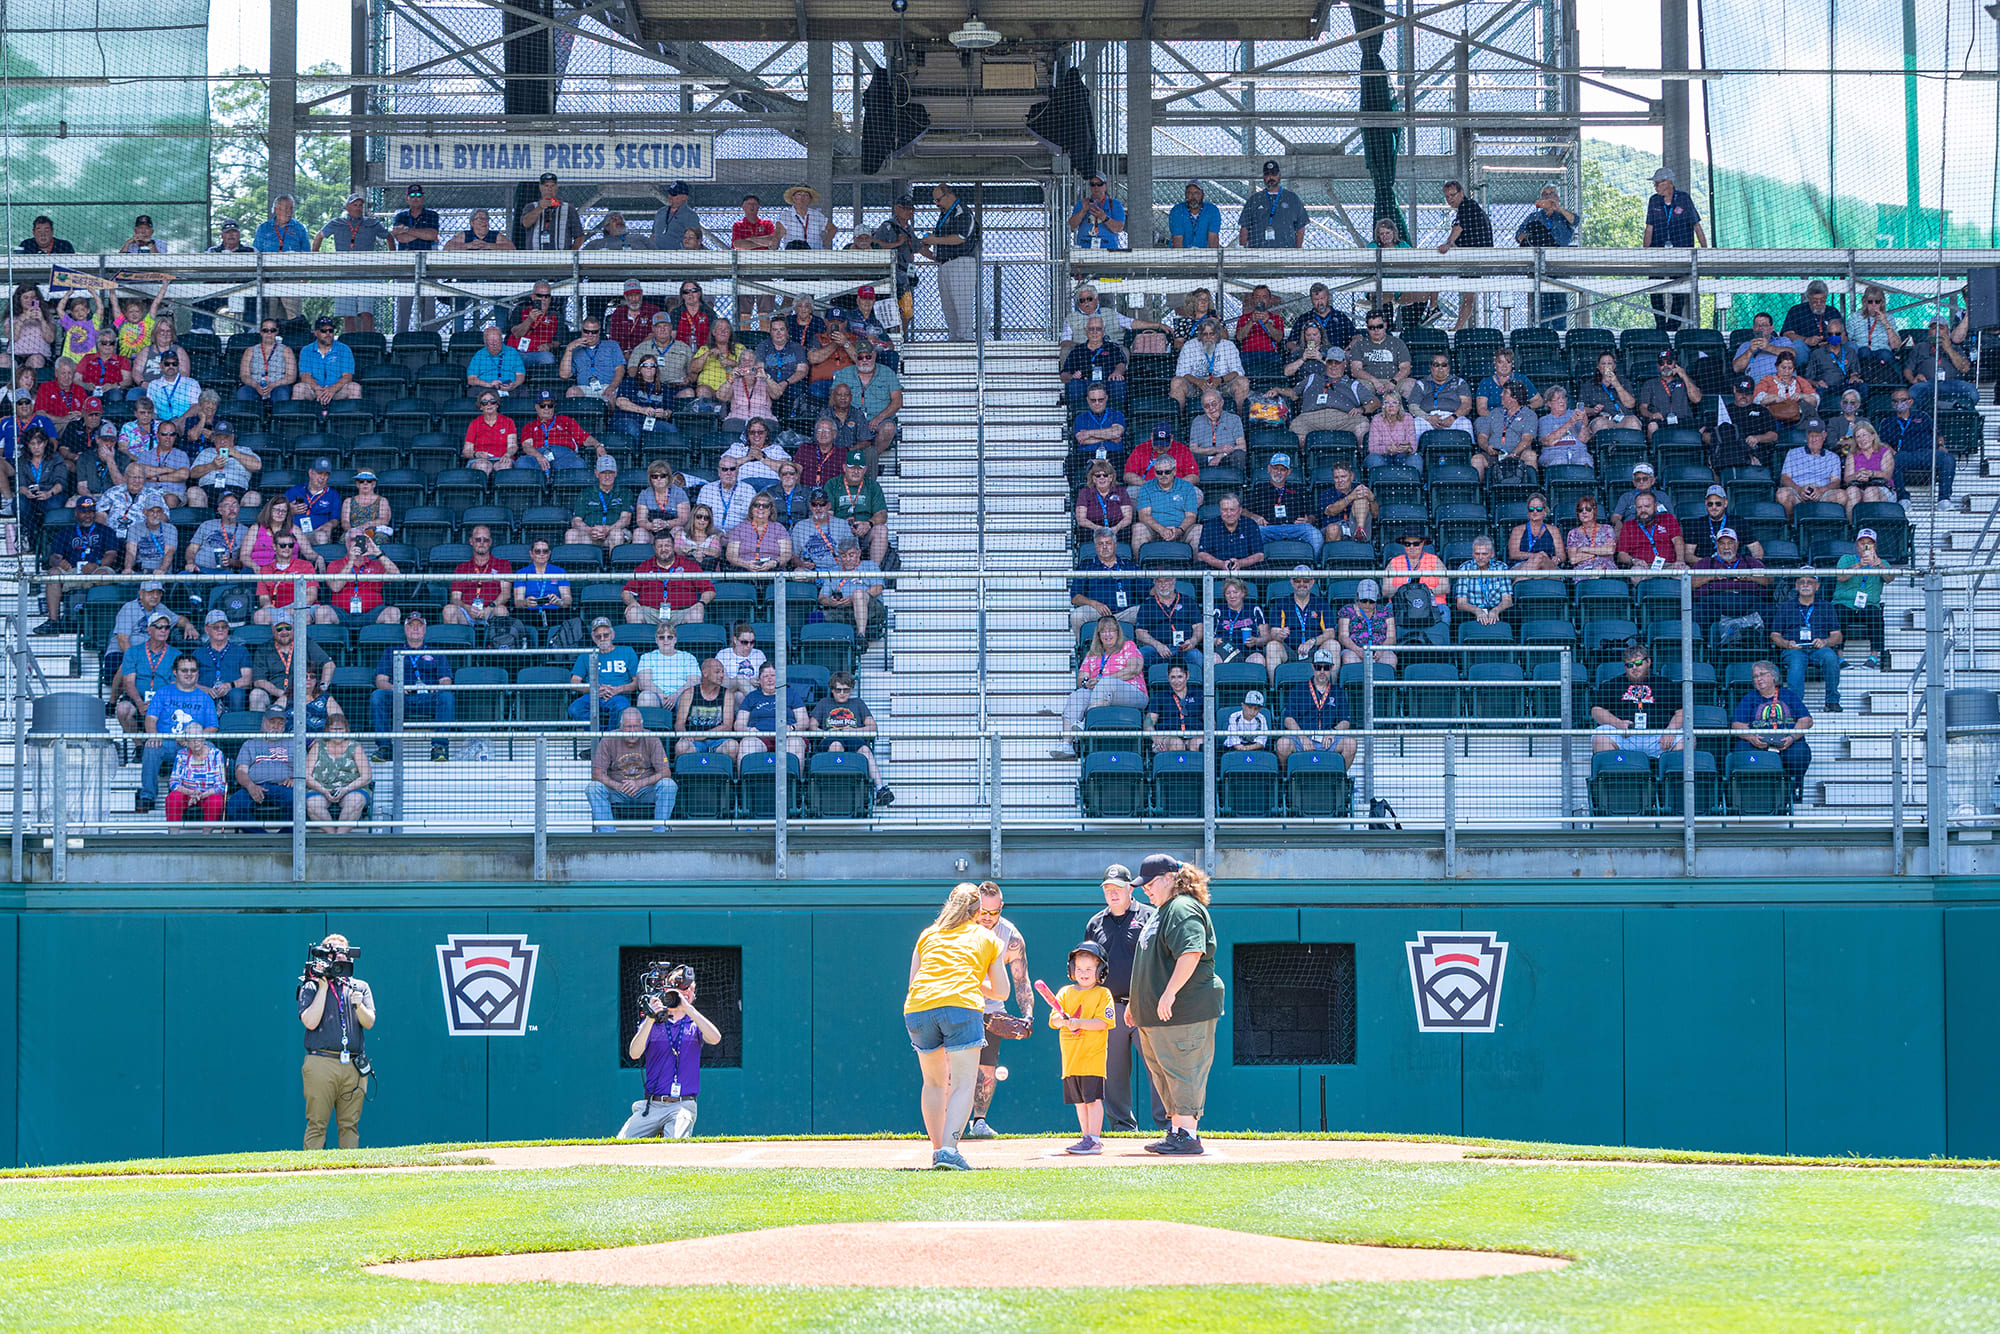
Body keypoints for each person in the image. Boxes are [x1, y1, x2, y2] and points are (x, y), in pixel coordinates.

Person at [1125, 853, 1223, 1155]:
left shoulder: (1181, 908)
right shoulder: (1163, 911)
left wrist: (1169, 993)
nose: (1146, 890)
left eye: (1151, 883)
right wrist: (1135, 1004)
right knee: (1166, 1073)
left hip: (1184, 1011)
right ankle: (1177, 1131)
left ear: (1170, 878)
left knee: (1184, 1071)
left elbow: (1191, 952)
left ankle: (1188, 1136)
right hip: (1157, 1016)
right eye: (1143, 886)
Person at [904, 883, 1008, 1170]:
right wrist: (971, 980)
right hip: (960, 1006)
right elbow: (1001, 991)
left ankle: (938, 1151)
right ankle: (950, 1150)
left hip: (918, 1008)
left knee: (934, 1083)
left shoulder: (928, 934)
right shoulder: (985, 937)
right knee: (963, 1083)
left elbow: (914, 981)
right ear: (977, 911)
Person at [963, 882, 1033, 1141]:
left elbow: (1022, 981)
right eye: (983, 911)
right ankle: (948, 1123)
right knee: (951, 1068)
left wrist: (1027, 1015)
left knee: (987, 1069)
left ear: (1001, 908)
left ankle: (978, 1121)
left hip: (992, 1010)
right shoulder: (959, 931)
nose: (988, 917)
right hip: (960, 1006)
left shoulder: (1010, 937)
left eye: (994, 912)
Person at [619, 963, 722, 1137]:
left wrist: (688, 1009)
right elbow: (634, 1053)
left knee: (675, 1141)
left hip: (682, 1105)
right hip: (653, 1105)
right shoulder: (652, 1023)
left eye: (689, 988)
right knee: (621, 1143)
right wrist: (651, 1018)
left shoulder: (695, 1023)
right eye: (679, 988)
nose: (685, 992)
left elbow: (715, 1038)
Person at [298, 933, 375, 1149]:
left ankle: (348, 1177)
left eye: (342, 952)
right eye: (333, 952)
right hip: (321, 1062)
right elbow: (310, 1022)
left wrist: (358, 1005)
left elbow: (369, 1023)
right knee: (317, 1124)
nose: (338, 957)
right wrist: (322, 986)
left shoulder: (360, 986)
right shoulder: (311, 985)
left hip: (353, 1063)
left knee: (349, 1125)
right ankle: (311, 1176)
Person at [1048, 941, 1116, 1155]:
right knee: (1079, 1102)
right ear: (1071, 970)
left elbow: (1103, 1023)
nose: (1083, 973)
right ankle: (1085, 1136)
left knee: (1093, 1100)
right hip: (1071, 1061)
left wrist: (1078, 1022)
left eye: (1089, 969)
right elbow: (1054, 1021)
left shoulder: (1103, 994)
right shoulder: (1065, 992)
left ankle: (1094, 1139)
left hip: (1092, 1060)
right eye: (1079, 969)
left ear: (1100, 971)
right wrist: (1063, 1019)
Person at [138, 653, 221, 814]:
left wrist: (193, 739)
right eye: (184, 670)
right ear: (175, 672)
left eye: (193, 670)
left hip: (194, 744)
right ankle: (148, 796)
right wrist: (154, 735)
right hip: (167, 742)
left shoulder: (205, 698)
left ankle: (204, 795)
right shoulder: (163, 693)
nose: (189, 674)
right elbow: (150, 718)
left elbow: (212, 727)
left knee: (210, 747)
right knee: (151, 747)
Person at [369, 613, 454, 763]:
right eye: (411, 626)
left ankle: (439, 747)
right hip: (400, 698)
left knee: (446, 696)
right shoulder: (391, 652)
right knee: (378, 695)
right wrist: (395, 688)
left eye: (419, 626)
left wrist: (438, 687)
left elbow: (446, 680)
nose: (415, 629)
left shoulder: (437, 653)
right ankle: (384, 747)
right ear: (405, 629)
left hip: (428, 698)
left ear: (425, 630)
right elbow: (380, 680)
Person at [1058, 615, 1148, 755]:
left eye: (1111, 630)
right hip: (1100, 692)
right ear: (1098, 635)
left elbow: (1133, 669)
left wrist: (1102, 680)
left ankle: (1086, 722)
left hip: (1133, 693)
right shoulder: (1093, 653)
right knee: (1078, 695)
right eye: (1103, 631)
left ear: (1118, 632)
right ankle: (1066, 744)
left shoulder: (1128, 645)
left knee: (1106, 683)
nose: (1107, 635)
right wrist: (1087, 683)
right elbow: (1081, 678)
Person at [1732, 659, 1814, 802]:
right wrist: (1751, 738)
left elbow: (1806, 720)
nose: (1758, 679)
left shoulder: (1788, 695)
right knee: (1742, 749)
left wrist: (1792, 737)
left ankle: (1789, 789)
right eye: (1755, 676)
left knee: (1800, 753)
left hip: (1786, 741)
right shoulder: (1749, 698)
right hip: (1758, 743)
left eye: (1762, 674)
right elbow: (1737, 724)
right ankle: (1756, 791)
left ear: (1773, 676)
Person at [807, 672, 892, 805]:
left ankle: (880, 789)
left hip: (853, 738)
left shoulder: (857, 703)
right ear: (832, 689)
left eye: (846, 690)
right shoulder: (824, 703)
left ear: (851, 689)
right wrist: (826, 733)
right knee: (836, 745)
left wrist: (854, 731)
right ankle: (836, 787)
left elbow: (872, 727)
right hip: (830, 739)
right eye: (838, 690)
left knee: (865, 749)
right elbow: (812, 725)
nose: (842, 693)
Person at [589, 707, 676, 833]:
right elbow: (597, 773)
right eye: (628, 727)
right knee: (593, 788)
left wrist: (640, 783)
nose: (632, 731)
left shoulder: (652, 738)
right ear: (620, 726)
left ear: (641, 725)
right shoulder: (609, 739)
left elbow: (665, 772)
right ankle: (607, 835)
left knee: (669, 784)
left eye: (636, 727)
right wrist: (617, 786)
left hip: (645, 790)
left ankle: (660, 832)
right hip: (618, 790)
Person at [313, 194, 390, 332]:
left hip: (366, 274)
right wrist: (315, 259)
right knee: (348, 315)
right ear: (347, 207)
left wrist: (392, 259)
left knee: (366, 313)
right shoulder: (337, 222)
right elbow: (319, 236)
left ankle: (369, 343)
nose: (358, 208)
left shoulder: (372, 223)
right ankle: (349, 344)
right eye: (355, 205)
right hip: (344, 274)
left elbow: (389, 236)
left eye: (360, 205)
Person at [1641, 166, 1706, 329]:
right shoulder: (1653, 200)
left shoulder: (1684, 199)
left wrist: (1705, 251)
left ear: (1668, 182)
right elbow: (1649, 228)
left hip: (1681, 252)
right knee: (1654, 287)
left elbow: (1696, 226)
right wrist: (1644, 252)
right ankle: (1660, 324)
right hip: (1658, 251)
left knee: (1679, 289)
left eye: (1657, 183)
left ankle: (1673, 326)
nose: (1655, 187)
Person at [1591, 643, 1683, 757]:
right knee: (1600, 736)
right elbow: (1596, 710)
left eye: (1638, 663)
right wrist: (1618, 724)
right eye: (1629, 665)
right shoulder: (1613, 684)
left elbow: (1681, 712)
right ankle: (1616, 771)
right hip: (1626, 737)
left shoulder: (1665, 684)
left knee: (1686, 739)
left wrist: (1671, 730)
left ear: (1648, 662)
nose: (1634, 668)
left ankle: (1670, 773)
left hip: (1658, 738)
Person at [1770, 573, 1844, 713]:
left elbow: (1837, 636)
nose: (1805, 585)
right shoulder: (1785, 607)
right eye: (1802, 582)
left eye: (1809, 582)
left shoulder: (1826, 606)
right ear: (1796, 586)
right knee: (1796, 662)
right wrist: (1786, 644)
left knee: (1831, 657)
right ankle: (1795, 706)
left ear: (1817, 587)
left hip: (1818, 648)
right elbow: (1774, 635)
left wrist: (1825, 641)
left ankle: (1832, 701)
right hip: (1794, 648)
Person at [1285, 333, 1371, 448]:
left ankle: (1359, 460)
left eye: (1337, 362)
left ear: (1344, 364)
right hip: (1311, 417)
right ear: (1326, 363)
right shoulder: (1313, 378)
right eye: (1330, 362)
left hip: (1344, 418)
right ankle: (1303, 461)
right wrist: (1278, 390)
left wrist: (1362, 409)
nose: (1333, 365)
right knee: (1296, 425)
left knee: (1363, 425)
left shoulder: (1352, 383)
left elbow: (1374, 402)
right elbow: (1293, 394)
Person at [919, 183, 980, 342]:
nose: (937, 204)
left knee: (962, 303)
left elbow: (960, 237)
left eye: (938, 200)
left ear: (948, 195)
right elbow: (942, 242)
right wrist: (929, 251)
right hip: (945, 264)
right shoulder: (944, 214)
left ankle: (966, 338)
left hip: (961, 263)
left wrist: (935, 239)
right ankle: (954, 337)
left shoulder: (962, 212)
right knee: (948, 305)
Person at [1515, 183, 1579, 329]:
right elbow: (1519, 235)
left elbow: (1576, 221)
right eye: (1545, 194)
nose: (1548, 197)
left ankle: (1560, 338)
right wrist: (1533, 237)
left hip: (1559, 266)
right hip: (1538, 265)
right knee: (1540, 305)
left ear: (1557, 198)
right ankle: (1539, 337)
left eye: (1551, 194)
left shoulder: (1563, 216)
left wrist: (1558, 208)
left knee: (1559, 304)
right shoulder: (1534, 217)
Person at [225, 709, 299, 832]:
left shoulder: (293, 743)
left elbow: (306, 767)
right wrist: (250, 785)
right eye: (272, 722)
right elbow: (241, 771)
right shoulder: (250, 744)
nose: (275, 727)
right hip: (254, 785)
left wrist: (295, 778)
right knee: (235, 803)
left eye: (280, 724)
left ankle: (284, 838)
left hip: (283, 787)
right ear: (263, 722)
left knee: (297, 800)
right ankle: (260, 838)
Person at [1437, 180, 1493, 331]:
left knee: (1435, 268)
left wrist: (1448, 243)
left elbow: (1458, 227)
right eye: (1446, 197)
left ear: (1461, 193)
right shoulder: (1468, 208)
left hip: (1474, 257)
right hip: (1470, 258)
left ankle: (1434, 307)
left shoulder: (1467, 206)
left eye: (1452, 195)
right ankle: (1457, 327)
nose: (1450, 199)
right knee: (1468, 297)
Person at [1834, 528, 1893, 668]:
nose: (1865, 546)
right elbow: (1840, 577)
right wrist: (1859, 564)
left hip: (1869, 604)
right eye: (1862, 543)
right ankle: (1839, 657)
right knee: (1839, 613)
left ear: (1875, 546)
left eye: (1869, 543)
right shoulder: (1846, 559)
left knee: (1876, 616)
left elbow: (1890, 578)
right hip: (1845, 603)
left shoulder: (1882, 562)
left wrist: (1880, 565)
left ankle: (1873, 657)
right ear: (1856, 545)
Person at [1241, 452, 1321, 553]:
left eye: (1282, 469)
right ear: (1269, 468)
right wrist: (1253, 516)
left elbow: (1313, 515)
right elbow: (1242, 510)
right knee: (1254, 532)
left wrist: (1308, 520)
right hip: (1268, 528)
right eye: (1275, 468)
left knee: (1315, 534)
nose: (1278, 472)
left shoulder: (1299, 488)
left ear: (1289, 472)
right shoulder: (1259, 488)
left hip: (1295, 528)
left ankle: (1314, 567)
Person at [625, 536, 713, 627]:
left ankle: (690, 641)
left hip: (681, 613)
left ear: (673, 546)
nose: (664, 549)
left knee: (696, 614)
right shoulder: (645, 566)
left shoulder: (689, 565)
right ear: (654, 548)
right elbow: (626, 592)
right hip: (651, 613)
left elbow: (709, 590)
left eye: (667, 545)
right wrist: (632, 602)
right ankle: (640, 641)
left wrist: (701, 603)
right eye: (660, 546)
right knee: (633, 612)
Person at [305, 715, 372, 832]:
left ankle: (340, 836)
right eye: (334, 729)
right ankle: (332, 836)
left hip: (350, 788)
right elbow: (306, 776)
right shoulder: (318, 746)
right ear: (327, 730)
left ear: (346, 729)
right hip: (321, 788)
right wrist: (324, 791)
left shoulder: (355, 747)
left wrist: (345, 789)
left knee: (355, 802)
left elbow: (366, 776)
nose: (338, 732)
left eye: (341, 729)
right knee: (313, 805)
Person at [390, 185, 443, 332]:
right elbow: (400, 239)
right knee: (403, 305)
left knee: (428, 306)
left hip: (428, 265)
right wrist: (420, 233)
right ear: (407, 198)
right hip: (406, 265)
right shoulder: (400, 216)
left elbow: (432, 235)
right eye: (412, 195)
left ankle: (429, 338)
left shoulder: (432, 215)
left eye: (419, 195)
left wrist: (407, 230)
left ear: (423, 197)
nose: (415, 198)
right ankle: (401, 338)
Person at [570, 616, 640, 725]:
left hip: (619, 696)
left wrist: (618, 689)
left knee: (622, 708)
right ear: (593, 638)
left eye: (606, 635)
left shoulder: (627, 651)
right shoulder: (586, 655)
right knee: (575, 709)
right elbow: (574, 682)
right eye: (598, 636)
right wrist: (594, 689)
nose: (602, 638)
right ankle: (600, 736)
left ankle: (610, 738)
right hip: (593, 695)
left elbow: (636, 682)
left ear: (612, 635)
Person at [1170, 317, 1247, 413]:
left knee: (1242, 381)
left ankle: (1240, 421)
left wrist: (1219, 380)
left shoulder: (1228, 346)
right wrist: (1199, 382)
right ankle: (1179, 421)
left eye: (1212, 334)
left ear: (1218, 335)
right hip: (1196, 386)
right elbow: (1181, 372)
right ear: (1200, 335)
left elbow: (1237, 372)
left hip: (1222, 385)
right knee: (1176, 382)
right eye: (1205, 334)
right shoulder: (1189, 346)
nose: (1208, 337)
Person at [442, 525, 512, 628]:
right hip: (467, 613)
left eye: (486, 540)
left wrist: (489, 607)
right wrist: (467, 608)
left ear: (490, 542)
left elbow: (506, 594)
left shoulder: (503, 564)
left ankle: (498, 643)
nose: (482, 543)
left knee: (501, 610)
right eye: (478, 539)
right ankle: (458, 643)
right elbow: (455, 598)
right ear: (471, 541)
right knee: (449, 610)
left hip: (491, 611)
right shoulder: (461, 568)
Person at [673, 657, 740, 758]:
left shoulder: (727, 694)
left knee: (732, 745)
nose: (721, 675)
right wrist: (684, 734)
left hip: (718, 741)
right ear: (705, 673)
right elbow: (679, 723)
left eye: (722, 672)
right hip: (693, 742)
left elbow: (727, 726)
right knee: (681, 746)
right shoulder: (689, 693)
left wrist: (701, 735)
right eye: (717, 672)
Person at [1135, 575, 1204, 671]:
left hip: (1184, 648)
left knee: (1196, 657)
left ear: (1174, 581)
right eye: (1159, 582)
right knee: (1139, 656)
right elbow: (1140, 632)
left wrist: (1192, 641)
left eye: (1166, 581)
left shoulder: (1188, 601)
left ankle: (1196, 685)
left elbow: (1198, 627)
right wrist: (1157, 645)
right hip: (1157, 649)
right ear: (1154, 583)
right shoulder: (1148, 604)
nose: (1163, 585)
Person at [567, 455, 634, 550]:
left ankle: (614, 565)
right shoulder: (586, 493)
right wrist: (589, 530)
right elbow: (576, 521)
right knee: (571, 534)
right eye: (603, 473)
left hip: (614, 532)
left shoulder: (625, 492)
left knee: (617, 534)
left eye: (610, 472)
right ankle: (579, 564)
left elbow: (625, 519)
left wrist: (608, 529)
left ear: (616, 473)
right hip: (590, 534)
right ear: (596, 473)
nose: (607, 477)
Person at [1237, 159, 1308, 248]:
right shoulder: (1255, 199)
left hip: (1286, 253)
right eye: (1267, 174)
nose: (1271, 178)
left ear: (1279, 175)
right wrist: (1242, 248)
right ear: (1263, 177)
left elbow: (1300, 227)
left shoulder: (1292, 198)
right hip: (1258, 252)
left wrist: (1297, 250)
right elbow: (1245, 227)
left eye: (1274, 174)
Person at [558, 317, 625, 405]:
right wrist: (569, 349)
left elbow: (620, 369)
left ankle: (610, 419)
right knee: (572, 391)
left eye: (594, 332)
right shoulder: (575, 349)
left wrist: (612, 386)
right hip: (585, 388)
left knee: (612, 395)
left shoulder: (612, 345)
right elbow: (564, 375)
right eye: (586, 331)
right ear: (582, 330)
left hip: (607, 387)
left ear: (599, 332)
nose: (590, 335)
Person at [635, 624, 700, 710]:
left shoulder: (688, 657)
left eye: (670, 637)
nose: (666, 641)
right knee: (645, 697)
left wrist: (676, 694)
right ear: (656, 640)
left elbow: (694, 681)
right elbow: (644, 683)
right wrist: (661, 695)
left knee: (689, 697)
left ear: (675, 639)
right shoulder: (647, 657)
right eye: (662, 637)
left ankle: (681, 723)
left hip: (681, 695)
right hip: (656, 696)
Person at [1617, 491, 1686, 569]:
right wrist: (1634, 560)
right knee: (1636, 571)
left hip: (1669, 565)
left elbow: (1678, 541)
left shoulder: (1668, 519)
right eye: (1639, 507)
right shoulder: (1628, 525)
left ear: (1655, 507)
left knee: (1684, 570)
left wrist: (1680, 560)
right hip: (1642, 566)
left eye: (1647, 506)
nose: (1643, 510)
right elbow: (1621, 555)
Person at [1196, 494, 1264, 573]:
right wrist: (1221, 564)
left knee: (1262, 567)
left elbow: (1259, 555)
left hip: (1245, 568)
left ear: (1240, 510)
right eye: (1224, 510)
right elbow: (1202, 555)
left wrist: (1240, 563)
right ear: (1220, 510)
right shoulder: (1210, 525)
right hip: (1216, 568)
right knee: (1199, 567)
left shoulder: (1250, 524)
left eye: (1232, 510)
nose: (1229, 514)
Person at [1336, 580, 1396, 669]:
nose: (1367, 604)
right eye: (1364, 601)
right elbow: (1343, 636)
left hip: (1380, 650)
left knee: (1390, 659)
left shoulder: (1385, 611)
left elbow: (1391, 637)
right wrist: (1358, 650)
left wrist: (1381, 650)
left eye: (1371, 601)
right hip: (1354, 649)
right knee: (1349, 658)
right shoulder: (1347, 610)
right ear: (1357, 597)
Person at [1146, 663, 1204, 754]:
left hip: (1195, 734)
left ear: (1187, 676)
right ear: (1168, 677)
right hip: (1168, 737)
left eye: (1180, 677)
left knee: (1197, 743)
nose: (1176, 681)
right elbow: (1148, 722)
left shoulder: (1199, 694)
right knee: (1177, 744)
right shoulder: (1160, 696)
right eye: (1173, 677)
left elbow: (1210, 721)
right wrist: (1156, 738)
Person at [1456, 537, 1514, 626]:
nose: (1480, 557)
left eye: (1484, 554)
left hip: (1497, 610)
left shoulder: (1501, 568)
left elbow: (1508, 600)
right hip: (1472, 611)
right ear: (1473, 554)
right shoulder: (1464, 568)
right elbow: (1461, 603)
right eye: (1477, 554)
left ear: (1492, 554)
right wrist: (1477, 611)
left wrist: (1496, 610)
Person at [521, 171, 584, 251]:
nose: (549, 189)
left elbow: (579, 236)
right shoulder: (531, 207)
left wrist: (571, 254)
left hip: (560, 256)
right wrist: (539, 208)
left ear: (556, 187)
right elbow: (526, 223)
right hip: (535, 257)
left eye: (552, 186)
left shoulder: (568, 208)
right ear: (540, 187)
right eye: (546, 186)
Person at [466, 325, 527, 401]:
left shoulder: (512, 352)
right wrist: (489, 384)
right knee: (472, 392)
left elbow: (520, 376)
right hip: (486, 389)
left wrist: (513, 385)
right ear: (485, 342)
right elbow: (471, 379)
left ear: (502, 339)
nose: (494, 345)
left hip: (510, 389)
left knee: (523, 391)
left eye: (497, 342)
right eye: (491, 343)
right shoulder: (479, 355)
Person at [1509, 492, 1567, 570]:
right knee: (1539, 563)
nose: (1535, 512)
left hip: (1548, 564)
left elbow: (1562, 555)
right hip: (1523, 564)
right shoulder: (1517, 530)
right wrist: (1536, 556)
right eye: (1531, 509)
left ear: (1545, 510)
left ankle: (1519, 581)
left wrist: (1557, 558)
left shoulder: (1554, 530)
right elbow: (1513, 554)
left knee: (1542, 563)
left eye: (1539, 509)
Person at [1069, 171, 1127, 249]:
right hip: (1085, 248)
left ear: (1105, 186)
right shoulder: (1082, 203)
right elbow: (1072, 224)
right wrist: (1083, 211)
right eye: (1093, 185)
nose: (1096, 188)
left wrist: (1103, 217)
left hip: (1108, 248)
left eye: (1099, 184)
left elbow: (1118, 228)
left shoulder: (1114, 204)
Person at [1566, 496, 1619, 572]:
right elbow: (1573, 559)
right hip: (1583, 571)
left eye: (1588, 509)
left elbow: (1610, 550)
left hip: (1606, 569)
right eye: (1580, 510)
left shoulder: (1607, 529)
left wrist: (1583, 549)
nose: (1584, 512)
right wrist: (1601, 551)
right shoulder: (1573, 533)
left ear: (1594, 511)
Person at [650, 181, 703, 252]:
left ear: (684, 197)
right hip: (657, 256)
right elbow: (653, 235)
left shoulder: (690, 216)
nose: (670, 197)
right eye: (669, 193)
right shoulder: (661, 212)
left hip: (678, 257)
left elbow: (694, 240)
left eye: (674, 194)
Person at [1167, 180, 1221, 248]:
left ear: (1203, 195)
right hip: (1183, 254)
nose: (1193, 196)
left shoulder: (1212, 211)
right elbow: (1177, 240)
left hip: (1204, 254)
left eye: (1197, 193)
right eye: (1189, 193)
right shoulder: (1177, 211)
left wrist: (1211, 257)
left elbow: (1213, 239)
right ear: (1185, 195)